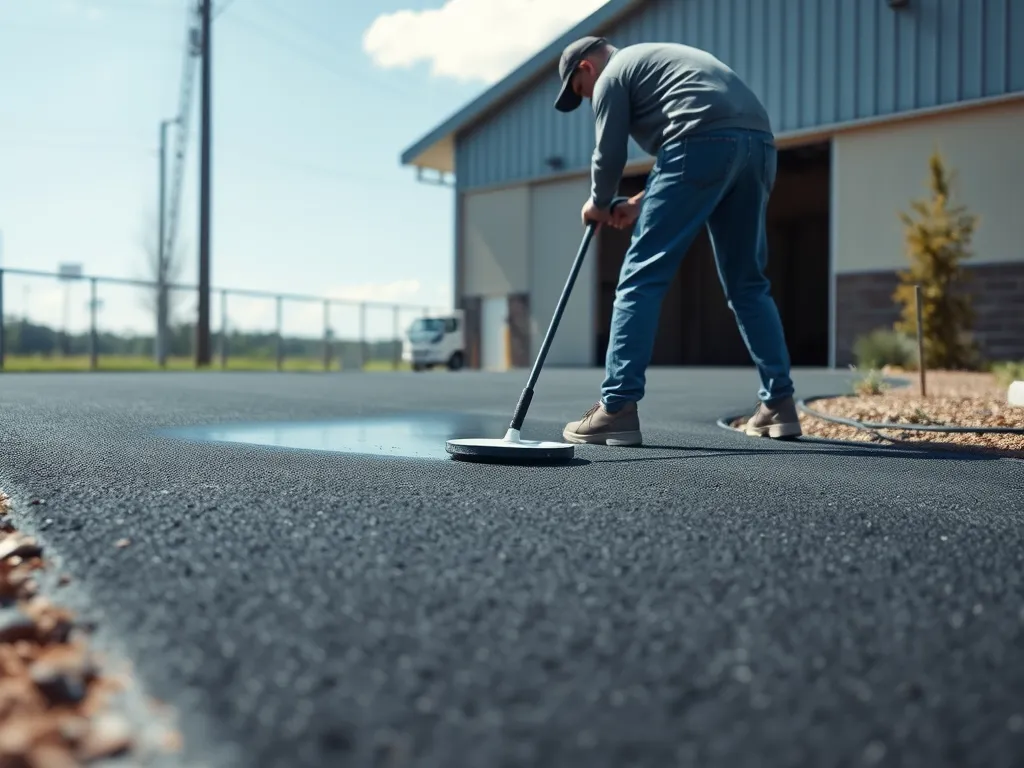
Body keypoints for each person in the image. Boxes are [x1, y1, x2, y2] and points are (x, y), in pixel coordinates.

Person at [553, 36, 802, 446]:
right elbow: (700, 141)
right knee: (748, 283)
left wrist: (598, 203)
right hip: (757, 145)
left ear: (585, 69)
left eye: (582, 93)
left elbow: (610, 152)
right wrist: (638, 202)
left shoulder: (612, 75)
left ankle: (616, 409)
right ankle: (779, 403)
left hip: (701, 143)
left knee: (639, 277)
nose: (588, 99)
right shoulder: (655, 60)